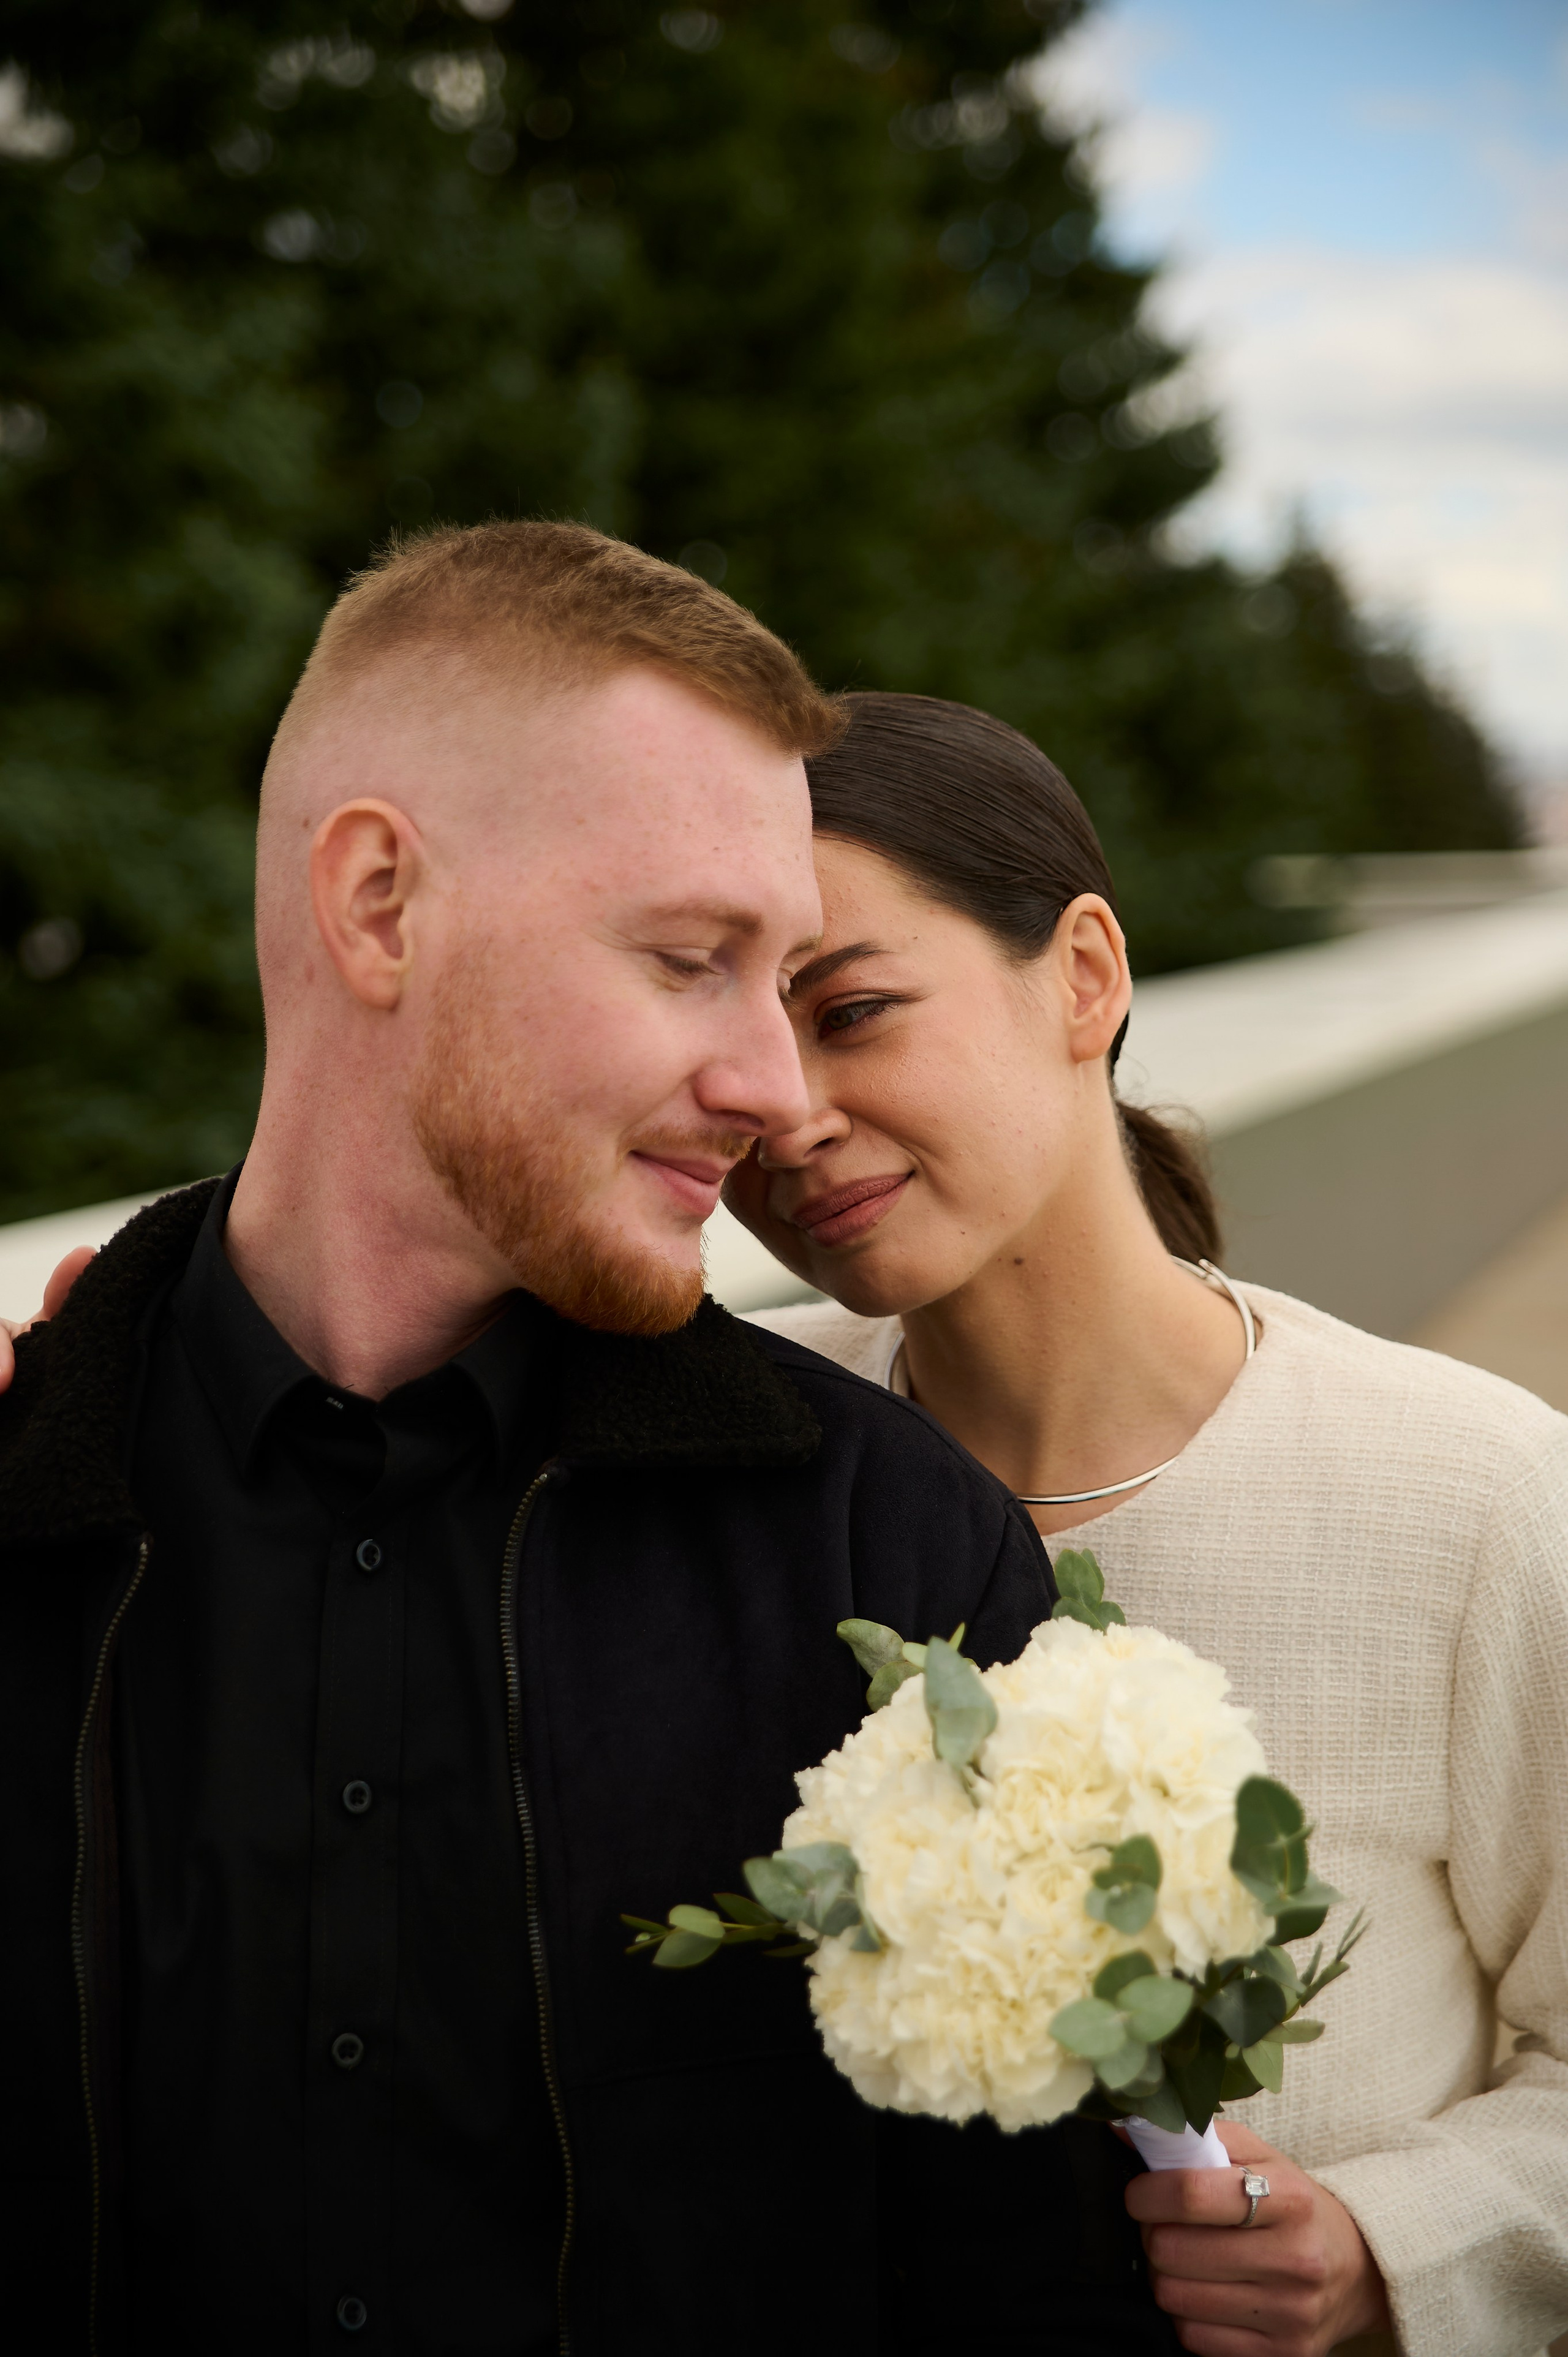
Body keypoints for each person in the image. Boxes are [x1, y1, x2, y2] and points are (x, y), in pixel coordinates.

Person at [0, 535, 1176, 2356]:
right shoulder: (24, 1491)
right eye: (693, 961)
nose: (779, 1093)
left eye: (798, 982)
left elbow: (1024, 2301)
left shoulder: (897, 1565)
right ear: (380, 906)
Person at [721, 692, 1568, 2357]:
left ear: (1087, 976)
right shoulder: (731, 1475)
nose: (787, 1112)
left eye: (855, 1009)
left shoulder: (1473, 1497)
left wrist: (1387, 2251)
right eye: (734, 1043)